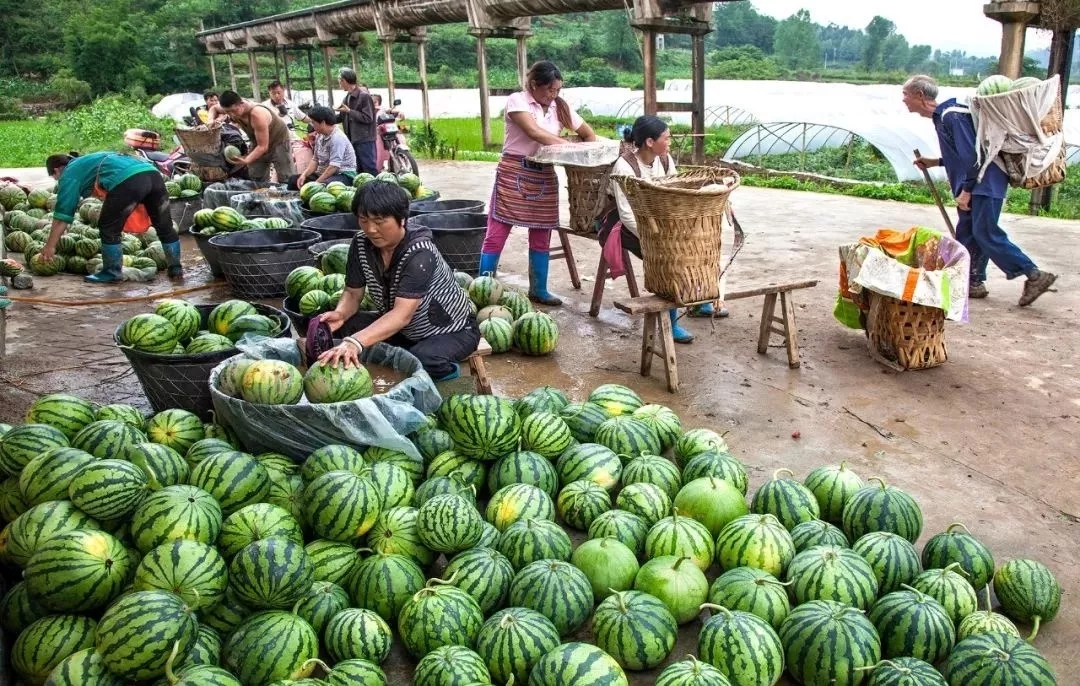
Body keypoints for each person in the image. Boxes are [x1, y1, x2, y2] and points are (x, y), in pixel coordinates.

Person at [903, 74, 1057, 306]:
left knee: (985, 232)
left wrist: (967, 190)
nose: (903, 100)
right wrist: (935, 162)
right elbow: (963, 153)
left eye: (905, 95)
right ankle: (972, 281)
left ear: (920, 95)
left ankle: (1034, 274)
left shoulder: (951, 115)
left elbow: (974, 158)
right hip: (979, 182)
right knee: (967, 232)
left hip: (984, 182)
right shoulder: (947, 115)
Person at [315, 181, 480, 381]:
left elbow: (402, 315)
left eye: (380, 220)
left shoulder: (420, 253)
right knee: (341, 326)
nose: (371, 229)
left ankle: (449, 379)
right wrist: (341, 313)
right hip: (404, 330)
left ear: (402, 219)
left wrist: (356, 342)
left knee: (424, 360)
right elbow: (352, 293)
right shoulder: (360, 245)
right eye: (364, 220)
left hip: (452, 331)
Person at [479, 60, 596, 305]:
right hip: (514, 171)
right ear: (534, 85)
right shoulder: (517, 101)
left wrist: (583, 147)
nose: (554, 95)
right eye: (550, 90)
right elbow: (533, 132)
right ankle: (484, 289)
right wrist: (569, 147)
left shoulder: (559, 107)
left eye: (558, 90)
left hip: (543, 174)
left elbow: (588, 133)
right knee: (497, 232)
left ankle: (539, 289)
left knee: (542, 233)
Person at [599, 116, 723, 344]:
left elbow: (674, 193)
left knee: (696, 243)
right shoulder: (625, 166)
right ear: (649, 142)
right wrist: (655, 239)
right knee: (667, 256)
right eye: (666, 138)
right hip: (621, 224)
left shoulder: (663, 160)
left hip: (656, 222)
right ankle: (671, 324)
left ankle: (695, 301)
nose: (670, 142)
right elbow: (626, 214)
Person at [41, 152, 182, 283]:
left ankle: (112, 272)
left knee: (108, 227)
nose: (58, 181)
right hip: (153, 175)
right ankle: (175, 268)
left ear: (57, 170)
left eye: (55, 178)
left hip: (129, 180)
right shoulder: (88, 161)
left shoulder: (69, 173)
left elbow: (62, 216)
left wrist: (50, 247)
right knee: (164, 225)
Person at [211, 90, 295, 184]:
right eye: (228, 112)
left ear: (241, 103)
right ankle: (261, 195)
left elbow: (263, 147)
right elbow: (214, 108)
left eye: (233, 111)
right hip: (257, 141)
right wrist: (210, 121)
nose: (231, 115)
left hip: (279, 141)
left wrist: (246, 160)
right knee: (256, 177)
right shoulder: (231, 107)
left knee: (286, 178)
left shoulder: (257, 114)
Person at [286, 106, 357, 190]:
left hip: (343, 174)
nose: (311, 124)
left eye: (313, 122)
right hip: (324, 173)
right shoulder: (320, 135)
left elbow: (334, 167)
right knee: (294, 180)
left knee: (324, 187)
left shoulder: (337, 138)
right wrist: (304, 175)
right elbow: (315, 159)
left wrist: (316, 183)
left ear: (322, 123)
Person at [336, 68, 377, 176]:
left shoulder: (364, 96)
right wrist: (324, 118)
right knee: (357, 170)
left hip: (364, 139)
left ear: (345, 81)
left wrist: (349, 111)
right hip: (352, 139)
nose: (339, 84)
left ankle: (376, 191)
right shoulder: (347, 98)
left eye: (340, 81)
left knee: (369, 168)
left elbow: (368, 118)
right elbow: (341, 117)